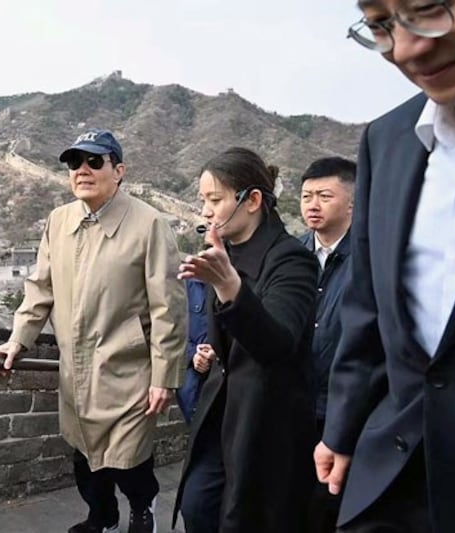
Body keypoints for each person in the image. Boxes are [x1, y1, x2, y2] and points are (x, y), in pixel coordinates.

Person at [314, 2, 455, 531]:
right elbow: (368, 304)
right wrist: (343, 429)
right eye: (381, 25)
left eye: (428, 9)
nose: (406, 48)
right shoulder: (388, 139)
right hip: (396, 478)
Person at [0, 128, 187, 533]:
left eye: (95, 161)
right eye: (75, 162)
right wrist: (17, 340)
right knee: (85, 459)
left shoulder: (149, 224)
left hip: (129, 370)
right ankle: (102, 516)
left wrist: (164, 377)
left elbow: (168, 307)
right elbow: (40, 289)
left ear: (119, 171)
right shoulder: (59, 221)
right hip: (76, 372)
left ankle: (142, 505)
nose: (83, 169)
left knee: (128, 460)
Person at [173, 147, 318, 533]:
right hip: (221, 412)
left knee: (246, 517)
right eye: (203, 200)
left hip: (266, 419)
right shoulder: (224, 254)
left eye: (215, 200)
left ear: (252, 200)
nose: (206, 211)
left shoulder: (292, 260)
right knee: (197, 504)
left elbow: (277, 344)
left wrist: (229, 286)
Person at [298, 157, 356, 533]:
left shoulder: (372, 257)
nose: (313, 205)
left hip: (344, 409)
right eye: (306, 196)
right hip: (295, 404)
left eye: (324, 196)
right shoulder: (292, 255)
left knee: (330, 506)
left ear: (352, 202)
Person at [176, 228, 211, 424]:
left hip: (224, 373)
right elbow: (173, 329)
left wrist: (215, 352)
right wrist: (193, 355)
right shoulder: (187, 284)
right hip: (192, 376)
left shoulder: (237, 285)